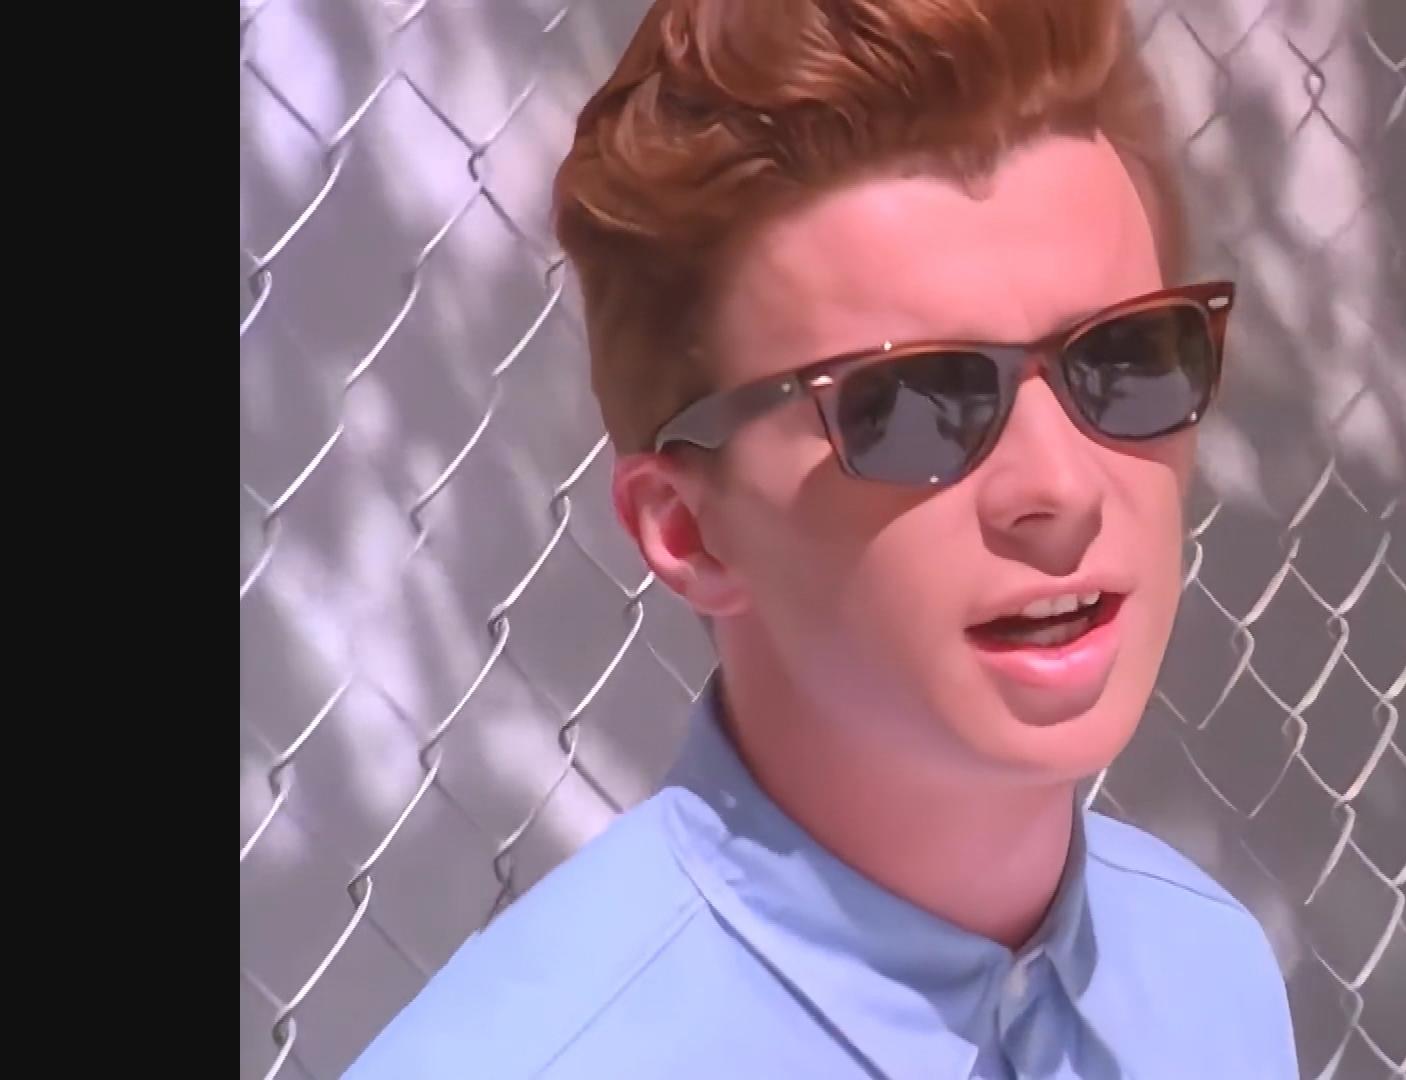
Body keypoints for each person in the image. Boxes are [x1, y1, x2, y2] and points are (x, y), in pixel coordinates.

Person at [346, 0, 1298, 1076]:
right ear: (688, 529)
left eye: (1127, 360)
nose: (1062, 485)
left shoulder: (1209, 972)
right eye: (915, 407)